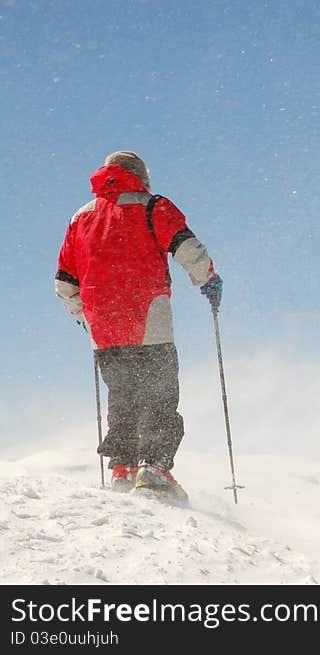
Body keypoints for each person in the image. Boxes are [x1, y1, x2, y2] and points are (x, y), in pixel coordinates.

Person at [54, 151, 222, 499]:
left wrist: (84, 317)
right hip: (148, 314)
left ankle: (123, 467)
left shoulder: (80, 217)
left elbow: (64, 282)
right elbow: (186, 246)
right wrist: (207, 279)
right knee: (159, 393)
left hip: (104, 325)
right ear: (141, 175)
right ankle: (155, 468)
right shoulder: (152, 205)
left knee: (123, 395)